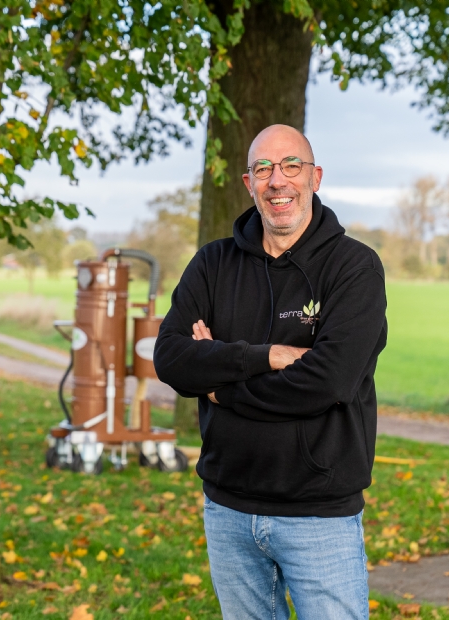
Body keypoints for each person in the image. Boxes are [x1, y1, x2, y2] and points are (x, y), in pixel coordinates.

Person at [154, 124, 387, 619]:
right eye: (263, 169)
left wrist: (220, 386)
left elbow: (328, 382)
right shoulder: (212, 264)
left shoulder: (354, 268)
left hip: (318, 515)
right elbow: (171, 358)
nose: (277, 180)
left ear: (315, 178)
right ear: (248, 183)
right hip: (228, 510)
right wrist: (267, 357)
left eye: (291, 166)